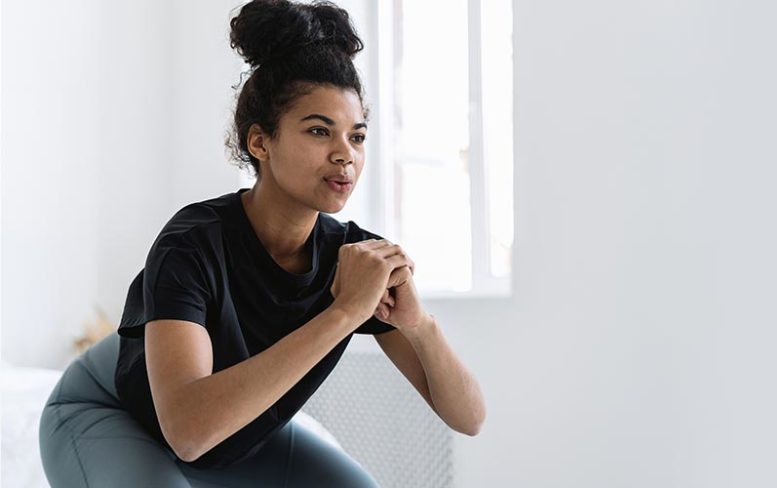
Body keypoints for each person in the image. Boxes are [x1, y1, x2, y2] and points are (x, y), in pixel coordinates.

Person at [38, 1, 486, 486]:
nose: (345, 155)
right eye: (319, 131)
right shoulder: (191, 244)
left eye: (356, 137)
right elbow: (188, 431)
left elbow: (469, 418)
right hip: (113, 413)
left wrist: (417, 324)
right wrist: (343, 313)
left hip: (232, 436)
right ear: (260, 143)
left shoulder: (355, 259)